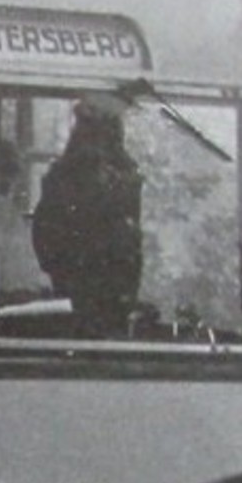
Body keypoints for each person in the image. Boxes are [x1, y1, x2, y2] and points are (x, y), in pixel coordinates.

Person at [31, 98, 144, 337]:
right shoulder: (65, 181)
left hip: (106, 311)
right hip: (71, 307)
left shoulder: (124, 179)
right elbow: (46, 248)